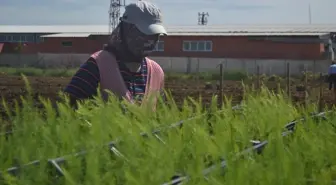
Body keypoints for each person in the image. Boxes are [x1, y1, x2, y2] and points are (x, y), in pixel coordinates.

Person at [63, 0, 167, 109]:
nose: (150, 41)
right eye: (143, 34)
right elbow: (67, 114)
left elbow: (160, 116)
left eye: (155, 35)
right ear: (126, 30)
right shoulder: (98, 66)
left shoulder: (156, 73)